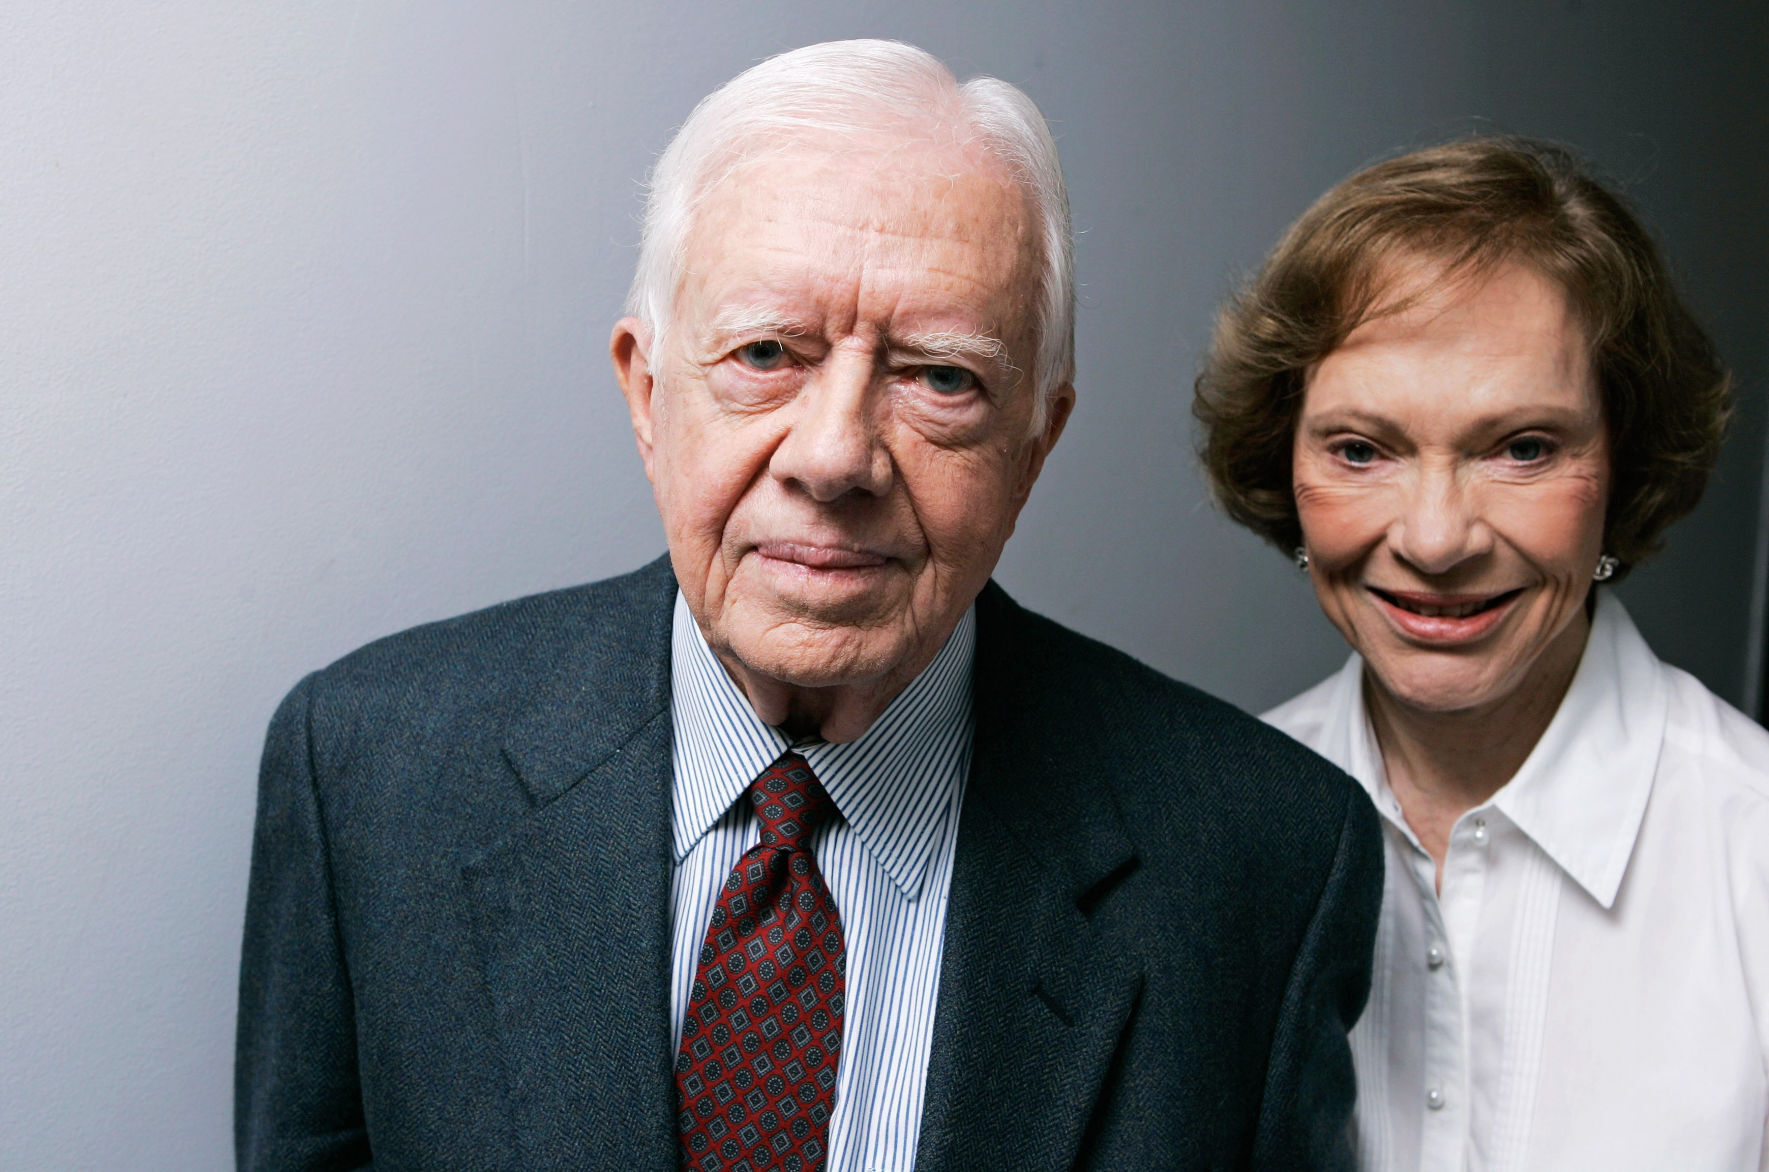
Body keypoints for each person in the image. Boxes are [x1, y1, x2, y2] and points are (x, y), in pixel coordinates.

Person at [236, 39, 1381, 1172]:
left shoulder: (1262, 860)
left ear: (1034, 442)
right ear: (646, 391)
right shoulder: (369, 776)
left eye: (940, 376)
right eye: (766, 352)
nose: (834, 458)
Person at [1194, 135, 1769, 1171]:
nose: (1433, 538)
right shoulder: (1199, 843)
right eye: (1360, 449)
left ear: (1624, 464)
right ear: (1280, 460)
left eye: (1521, 449)